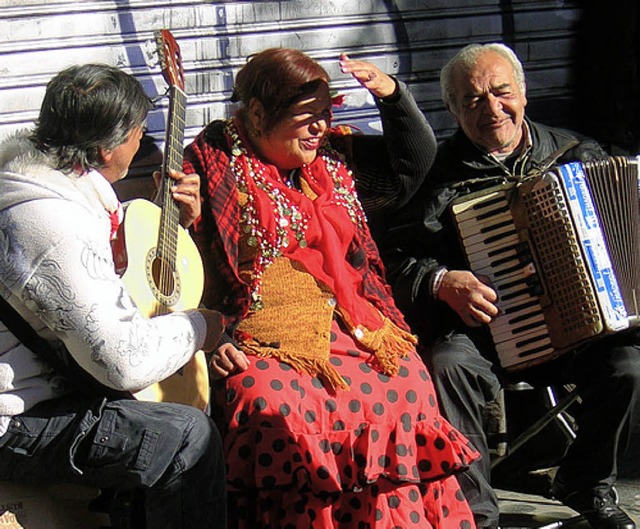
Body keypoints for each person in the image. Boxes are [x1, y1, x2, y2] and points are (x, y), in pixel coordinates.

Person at [183, 47, 479, 528]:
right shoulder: (214, 161)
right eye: (306, 117)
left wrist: (393, 96)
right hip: (260, 326)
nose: (321, 128)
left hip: (351, 316)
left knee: (407, 382)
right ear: (258, 115)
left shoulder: (337, 159)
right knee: (266, 399)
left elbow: (414, 166)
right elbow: (190, 261)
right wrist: (214, 331)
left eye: (325, 114)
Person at [382, 42, 640, 529]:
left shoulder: (578, 154)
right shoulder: (431, 177)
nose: (492, 108)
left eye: (501, 92)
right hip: (485, 331)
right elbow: (392, 259)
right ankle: (477, 515)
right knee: (448, 364)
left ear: (523, 94)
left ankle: (585, 481)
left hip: (582, 330)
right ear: (454, 109)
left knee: (628, 366)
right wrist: (440, 279)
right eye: (473, 100)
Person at [0, 64, 227, 528]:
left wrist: (167, 222)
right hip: (12, 422)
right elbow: (121, 361)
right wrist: (201, 326)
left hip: (40, 395)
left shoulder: (33, 184)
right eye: (138, 134)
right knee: (185, 435)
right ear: (105, 147)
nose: (144, 141)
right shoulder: (48, 221)